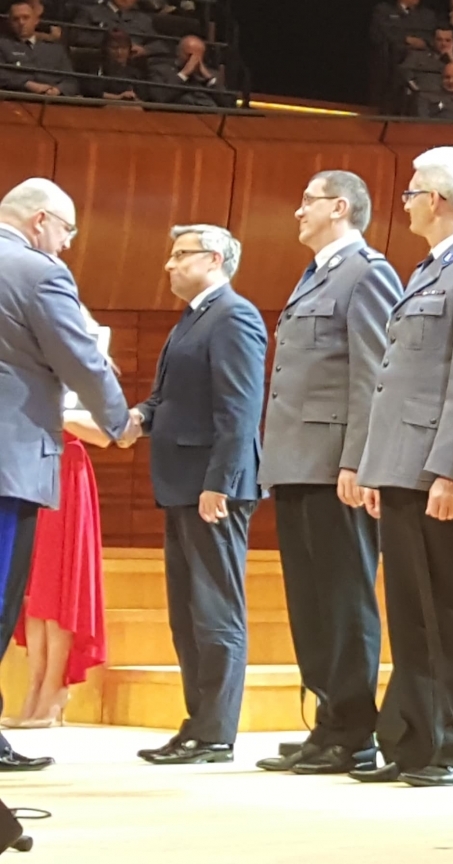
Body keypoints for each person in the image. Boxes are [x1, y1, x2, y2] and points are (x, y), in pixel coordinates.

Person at [352, 147, 453, 787]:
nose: (408, 203)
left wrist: (452, 471)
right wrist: (376, 467)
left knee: (452, 609)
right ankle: (418, 741)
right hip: (401, 466)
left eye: (413, 193)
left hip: (441, 472)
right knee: (412, 611)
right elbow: (398, 381)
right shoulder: (427, 270)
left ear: (439, 200)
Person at [254, 171, 401, 775]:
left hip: (333, 465)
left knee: (343, 599)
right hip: (295, 463)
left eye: (307, 201)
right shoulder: (315, 275)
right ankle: (328, 717)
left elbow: (373, 373)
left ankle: (354, 727)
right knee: (310, 602)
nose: (297, 211)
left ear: (339, 207)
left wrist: (357, 460)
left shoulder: (366, 272)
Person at [122, 224, 268, 765]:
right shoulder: (191, 320)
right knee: (186, 613)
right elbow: (165, 399)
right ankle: (196, 723)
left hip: (213, 488)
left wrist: (220, 483)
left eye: (180, 255)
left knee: (215, 611)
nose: (169, 265)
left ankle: (216, 733)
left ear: (212, 258)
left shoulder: (235, 315)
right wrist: (132, 419)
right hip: (181, 484)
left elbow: (241, 409)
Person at [0, 179, 128, 772]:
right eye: (67, 231)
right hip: (10, 463)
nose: (68, 246)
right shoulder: (37, 271)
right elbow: (80, 357)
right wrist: (119, 419)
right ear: (41, 221)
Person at [10, 372, 112, 731]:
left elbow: (105, 434)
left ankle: (55, 690)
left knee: (59, 588)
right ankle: (35, 685)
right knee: (33, 591)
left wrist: (53, 412)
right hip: (30, 470)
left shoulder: (86, 368)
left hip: (67, 472)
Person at [0, 2, 76, 97]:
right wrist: (26, 84)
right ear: (9, 22)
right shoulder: (2, 45)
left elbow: (71, 81)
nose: (21, 22)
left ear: (36, 20)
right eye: (16, 19)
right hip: (16, 98)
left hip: (53, 101)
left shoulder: (56, 49)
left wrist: (58, 90)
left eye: (26, 17)